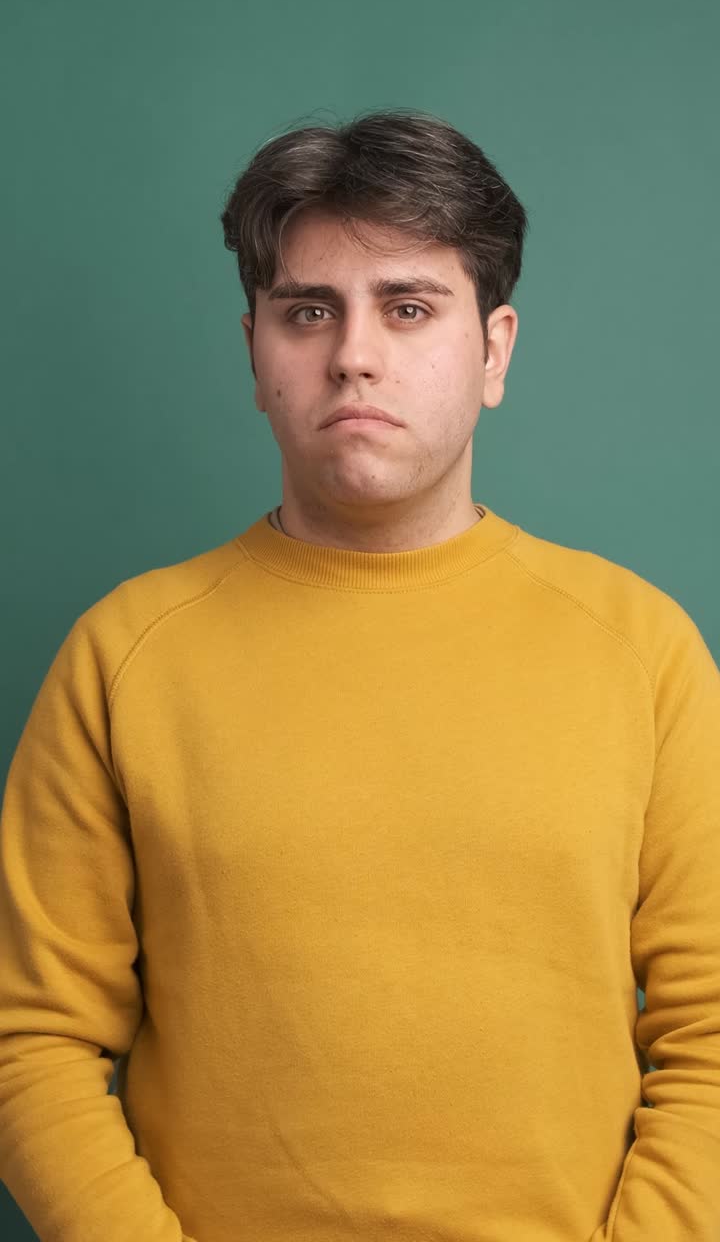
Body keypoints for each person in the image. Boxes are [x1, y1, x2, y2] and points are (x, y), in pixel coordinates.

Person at [0, 108, 718, 1242]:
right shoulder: (123, 655)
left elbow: (711, 1027)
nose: (354, 352)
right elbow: (29, 1038)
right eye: (309, 310)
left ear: (495, 351)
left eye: (410, 306)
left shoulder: (645, 649)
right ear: (255, 352)